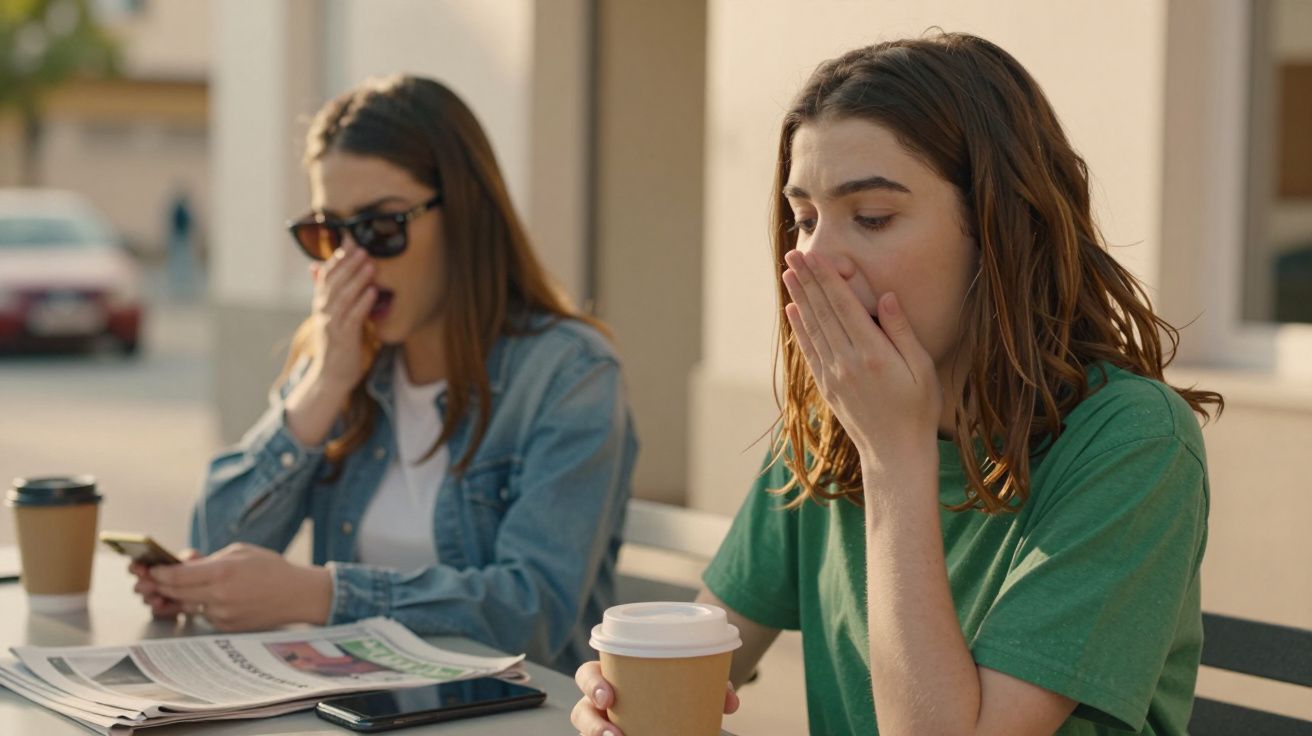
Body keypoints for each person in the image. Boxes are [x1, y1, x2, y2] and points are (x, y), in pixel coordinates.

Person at [571, 32, 1221, 735]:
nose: (816, 258)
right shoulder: (832, 422)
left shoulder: (1131, 442)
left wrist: (892, 455)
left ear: (1002, 228)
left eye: (872, 217)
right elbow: (708, 655)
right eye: (804, 219)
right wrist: (621, 695)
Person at [130, 75, 638, 673]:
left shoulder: (568, 374)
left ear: (466, 215)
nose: (353, 261)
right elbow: (215, 541)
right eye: (329, 234)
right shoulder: (342, 358)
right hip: (360, 704)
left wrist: (317, 595)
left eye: (380, 227)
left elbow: (532, 611)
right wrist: (324, 385)